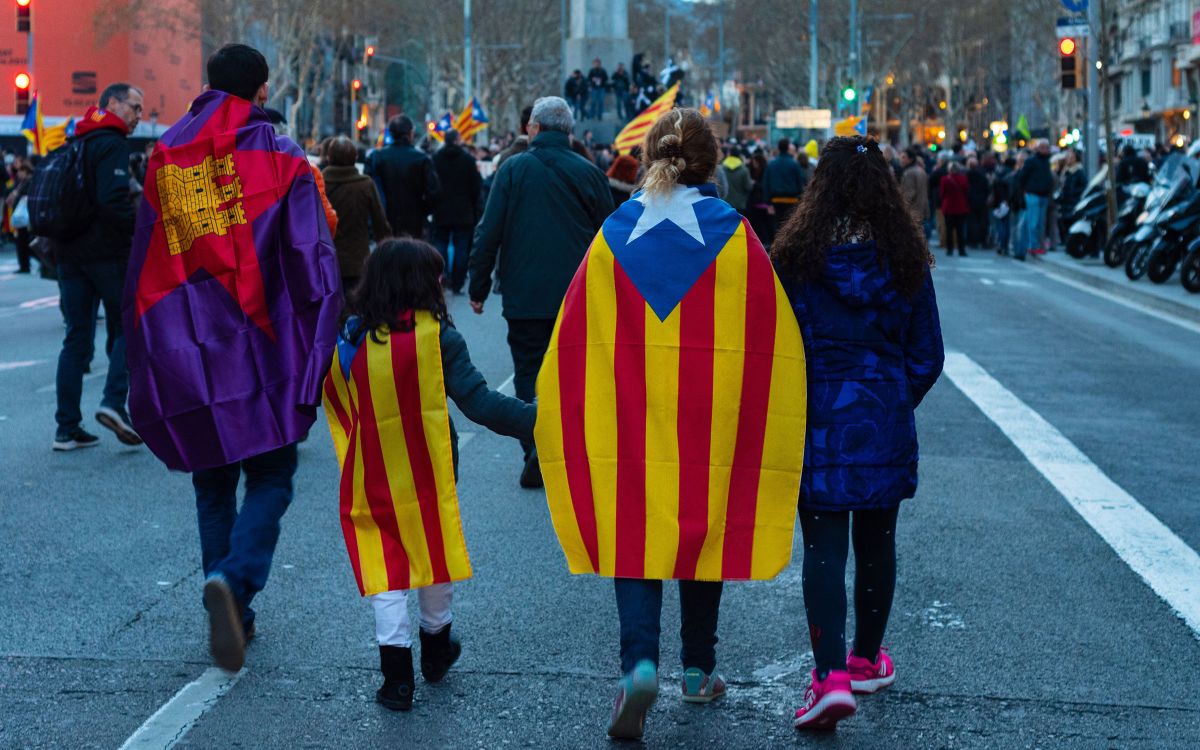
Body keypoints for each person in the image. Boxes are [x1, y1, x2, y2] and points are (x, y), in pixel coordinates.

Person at [533, 108, 806, 741]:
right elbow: (770, 335)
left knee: (635, 530)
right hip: (709, 415)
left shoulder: (613, 234)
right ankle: (698, 668)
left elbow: (575, 335)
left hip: (630, 411)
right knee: (704, 529)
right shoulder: (735, 233)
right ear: (709, 163)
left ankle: (639, 665)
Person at [124, 43, 341, 672]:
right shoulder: (281, 155)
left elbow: (150, 261)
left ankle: (230, 605)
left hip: (190, 348)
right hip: (265, 346)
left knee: (212, 483)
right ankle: (236, 581)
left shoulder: (167, 155)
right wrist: (320, 334)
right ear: (263, 89)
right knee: (271, 476)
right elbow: (310, 256)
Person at [771, 135, 944, 731]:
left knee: (823, 548)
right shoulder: (906, 259)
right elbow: (928, 354)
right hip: (883, 417)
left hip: (819, 419)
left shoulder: (795, 260)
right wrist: (892, 396)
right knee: (878, 542)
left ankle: (828, 678)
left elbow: (776, 346)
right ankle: (867, 660)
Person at [323, 238, 536, 712]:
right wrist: (542, 421)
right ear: (421, 283)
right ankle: (436, 649)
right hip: (429, 467)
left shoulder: (352, 335)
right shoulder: (438, 338)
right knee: (431, 550)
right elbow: (481, 404)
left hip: (370, 471)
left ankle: (396, 678)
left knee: (386, 568)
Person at [468, 96, 613, 487]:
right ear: (569, 130)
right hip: (577, 295)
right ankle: (566, 446)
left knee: (529, 372)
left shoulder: (512, 170)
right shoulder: (590, 173)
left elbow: (489, 231)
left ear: (533, 128)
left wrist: (478, 286)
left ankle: (535, 444)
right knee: (572, 372)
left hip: (525, 294)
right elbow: (610, 237)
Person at [52, 82, 145, 451]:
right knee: (129, 325)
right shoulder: (112, 143)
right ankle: (113, 402)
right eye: (134, 107)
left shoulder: (76, 141)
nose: (139, 116)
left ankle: (66, 428)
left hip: (68, 254)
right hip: (105, 254)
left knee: (76, 337)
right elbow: (112, 201)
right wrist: (137, 231)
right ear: (113, 104)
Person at [322, 135, 391, 293]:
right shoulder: (365, 184)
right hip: (358, 260)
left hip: (326, 260)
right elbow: (380, 221)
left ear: (329, 157)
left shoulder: (319, 183)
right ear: (355, 157)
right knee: (355, 301)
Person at [366, 115, 441, 239]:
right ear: (410, 133)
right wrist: (422, 211)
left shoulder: (377, 157)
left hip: (385, 220)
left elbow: (369, 189)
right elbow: (434, 193)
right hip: (414, 221)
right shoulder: (422, 158)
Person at [431, 128, 482, 294]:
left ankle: (442, 277)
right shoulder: (468, 160)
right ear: (457, 140)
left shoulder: (435, 159)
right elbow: (476, 187)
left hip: (441, 210)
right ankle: (458, 282)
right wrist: (475, 207)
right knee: (462, 248)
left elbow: (431, 185)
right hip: (463, 211)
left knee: (440, 244)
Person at [1017, 140, 1054, 255]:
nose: (1045, 150)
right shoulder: (1031, 161)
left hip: (1043, 195)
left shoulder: (1046, 161)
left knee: (1040, 224)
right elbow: (1022, 177)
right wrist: (1025, 190)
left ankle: (1037, 245)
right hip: (1033, 194)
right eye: (1042, 147)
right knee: (1033, 223)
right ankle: (1032, 245)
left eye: (1046, 147)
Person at [763, 138, 806, 232]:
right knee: (790, 228)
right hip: (792, 201)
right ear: (788, 148)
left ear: (778, 148)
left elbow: (766, 184)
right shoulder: (794, 164)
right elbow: (800, 183)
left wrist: (768, 203)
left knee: (777, 228)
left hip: (776, 201)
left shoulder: (771, 165)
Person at [7, 159, 33, 274]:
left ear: (26, 171)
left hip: (25, 216)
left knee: (23, 241)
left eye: (21, 171)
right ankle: (24, 265)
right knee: (22, 241)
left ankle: (25, 265)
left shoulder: (29, 182)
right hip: (21, 216)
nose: (18, 173)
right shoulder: (21, 182)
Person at [939, 162, 970, 257]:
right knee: (960, 230)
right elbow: (966, 191)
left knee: (949, 230)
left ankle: (950, 249)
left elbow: (942, 193)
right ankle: (961, 250)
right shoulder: (964, 178)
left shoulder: (944, 179)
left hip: (948, 207)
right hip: (961, 207)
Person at [898, 148, 929, 229]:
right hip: (922, 209)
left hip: (913, 211)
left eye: (904, 157)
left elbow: (908, 194)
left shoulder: (909, 173)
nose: (901, 159)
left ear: (910, 159)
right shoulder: (921, 170)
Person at [966, 157, 990, 248]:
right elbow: (986, 187)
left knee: (971, 221)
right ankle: (983, 240)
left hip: (971, 200)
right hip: (982, 199)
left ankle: (972, 241)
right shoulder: (982, 174)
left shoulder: (967, 174)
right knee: (983, 221)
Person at [720, 145, 752, 213]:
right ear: (739, 155)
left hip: (725, 204)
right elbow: (748, 187)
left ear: (729, 154)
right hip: (740, 204)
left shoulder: (721, 168)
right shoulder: (744, 170)